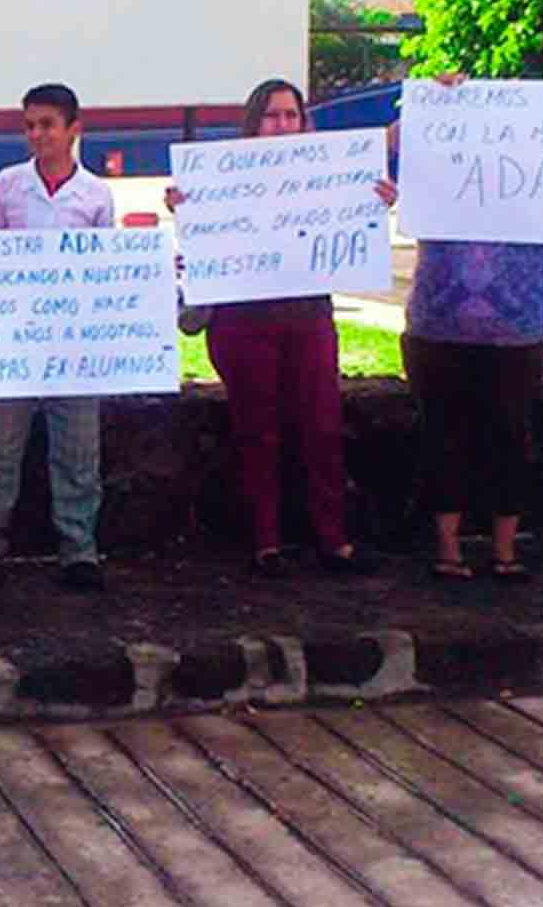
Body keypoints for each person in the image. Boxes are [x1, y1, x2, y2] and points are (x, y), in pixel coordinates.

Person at [168, 78, 393, 577]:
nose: (282, 124)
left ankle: (333, 537)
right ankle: (266, 539)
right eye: (272, 115)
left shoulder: (331, 174)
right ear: (253, 121)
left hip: (308, 316)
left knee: (322, 427)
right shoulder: (219, 174)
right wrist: (188, 207)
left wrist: (376, 202)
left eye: (291, 115)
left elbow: (359, 217)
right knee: (257, 431)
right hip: (242, 321)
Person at [401, 103, 543, 582]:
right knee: (443, 438)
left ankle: (504, 553)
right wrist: (427, 107)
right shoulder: (434, 168)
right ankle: (448, 551)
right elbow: (387, 155)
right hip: (439, 328)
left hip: (517, 330)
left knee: (511, 437)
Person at [0, 84, 114, 592]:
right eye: (29, 125)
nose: (37, 134)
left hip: (73, 341)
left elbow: (107, 266)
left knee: (77, 449)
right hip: (15, 340)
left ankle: (80, 550)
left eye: (47, 124)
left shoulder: (96, 194)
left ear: (74, 129)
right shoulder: (9, 185)